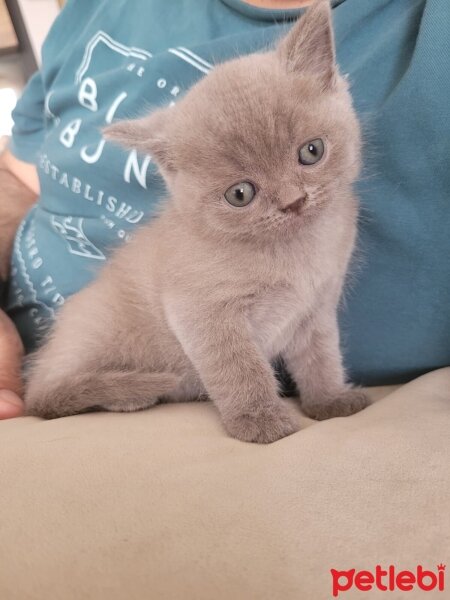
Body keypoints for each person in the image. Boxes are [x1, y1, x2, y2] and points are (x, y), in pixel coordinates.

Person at [0, 0, 449, 419]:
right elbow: (19, 174)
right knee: (85, 340)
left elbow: (312, 315)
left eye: (311, 153)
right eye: (241, 194)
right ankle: (59, 387)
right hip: (101, 331)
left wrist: (323, 395)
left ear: (333, 84)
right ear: (169, 168)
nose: (294, 199)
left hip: (169, 410)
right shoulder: (90, 8)